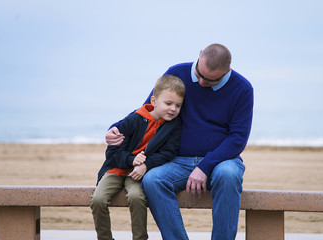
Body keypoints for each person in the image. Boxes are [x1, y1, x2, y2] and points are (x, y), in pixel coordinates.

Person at [106, 43, 254, 240]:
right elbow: (149, 110)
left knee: (228, 175)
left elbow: (237, 139)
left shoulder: (242, 89)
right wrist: (115, 128)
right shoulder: (177, 73)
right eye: (199, 74)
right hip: (177, 160)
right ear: (199, 55)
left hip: (221, 161)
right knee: (153, 179)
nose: (201, 82)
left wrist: (205, 166)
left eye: (210, 80)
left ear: (227, 71)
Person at [91, 74, 185, 240]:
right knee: (98, 199)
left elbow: (168, 153)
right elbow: (112, 151)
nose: (173, 109)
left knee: (136, 197)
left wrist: (145, 165)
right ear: (154, 102)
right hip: (115, 170)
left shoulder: (173, 126)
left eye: (178, 105)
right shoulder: (134, 119)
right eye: (168, 103)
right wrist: (131, 160)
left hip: (137, 174)